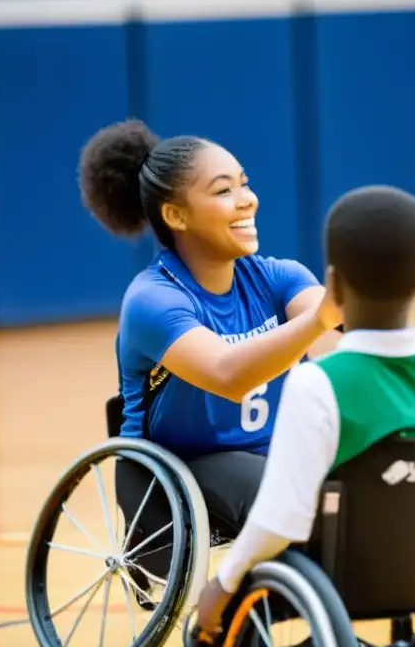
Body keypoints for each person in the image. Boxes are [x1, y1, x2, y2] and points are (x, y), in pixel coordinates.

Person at [189, 184, 415, 639]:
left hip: (339, 584)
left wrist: (225, 580)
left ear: (332, 286)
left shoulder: (318, 384)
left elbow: (281, 518)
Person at [78, 120, 342, 576]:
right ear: (177, 216)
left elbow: (338, 314)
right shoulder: (153, 300)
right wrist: (320, 319)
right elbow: (227, 374)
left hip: (271, 456)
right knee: (281, 491)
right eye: (224, 191)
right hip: (174, 476)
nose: (248, 199)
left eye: (245, 183)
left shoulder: (277, 276)